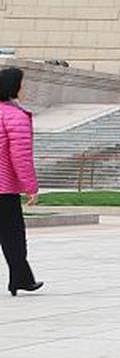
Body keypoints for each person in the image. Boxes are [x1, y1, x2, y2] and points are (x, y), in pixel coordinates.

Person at [0, 67, 43, 295]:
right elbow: (21, 156)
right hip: (3, 189)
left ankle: (22, 277)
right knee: (13, 234)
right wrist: (31, 187)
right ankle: (20, 278)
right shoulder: (15, 116)